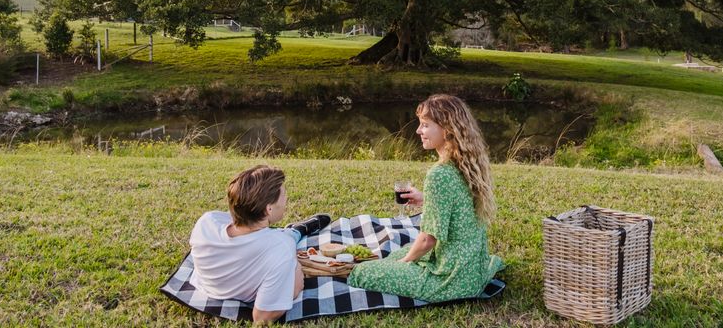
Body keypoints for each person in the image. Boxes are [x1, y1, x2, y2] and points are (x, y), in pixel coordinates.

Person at [347, 94, 505, 301]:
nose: (418, 131)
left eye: (425, 125)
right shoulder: (467, 163)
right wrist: (426, 199)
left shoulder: (439, 174)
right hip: (474, 270)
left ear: (447, 129)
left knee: (362, 271)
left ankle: (398, 267)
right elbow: (460, 205)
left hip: (452, 280)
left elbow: (427, 240)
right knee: (398, 253)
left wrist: (404, 264)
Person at [189, 164, 329, 324]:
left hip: (208, 285)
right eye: (284, 195)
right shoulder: (281, 247)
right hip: (261, 267)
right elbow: (262, 318)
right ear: (269, 209)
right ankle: (297, 230)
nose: (286, 199)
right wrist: (296, 280)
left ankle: (296, 230)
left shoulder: (207, 222)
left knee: (282, 238)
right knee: (289, 238)